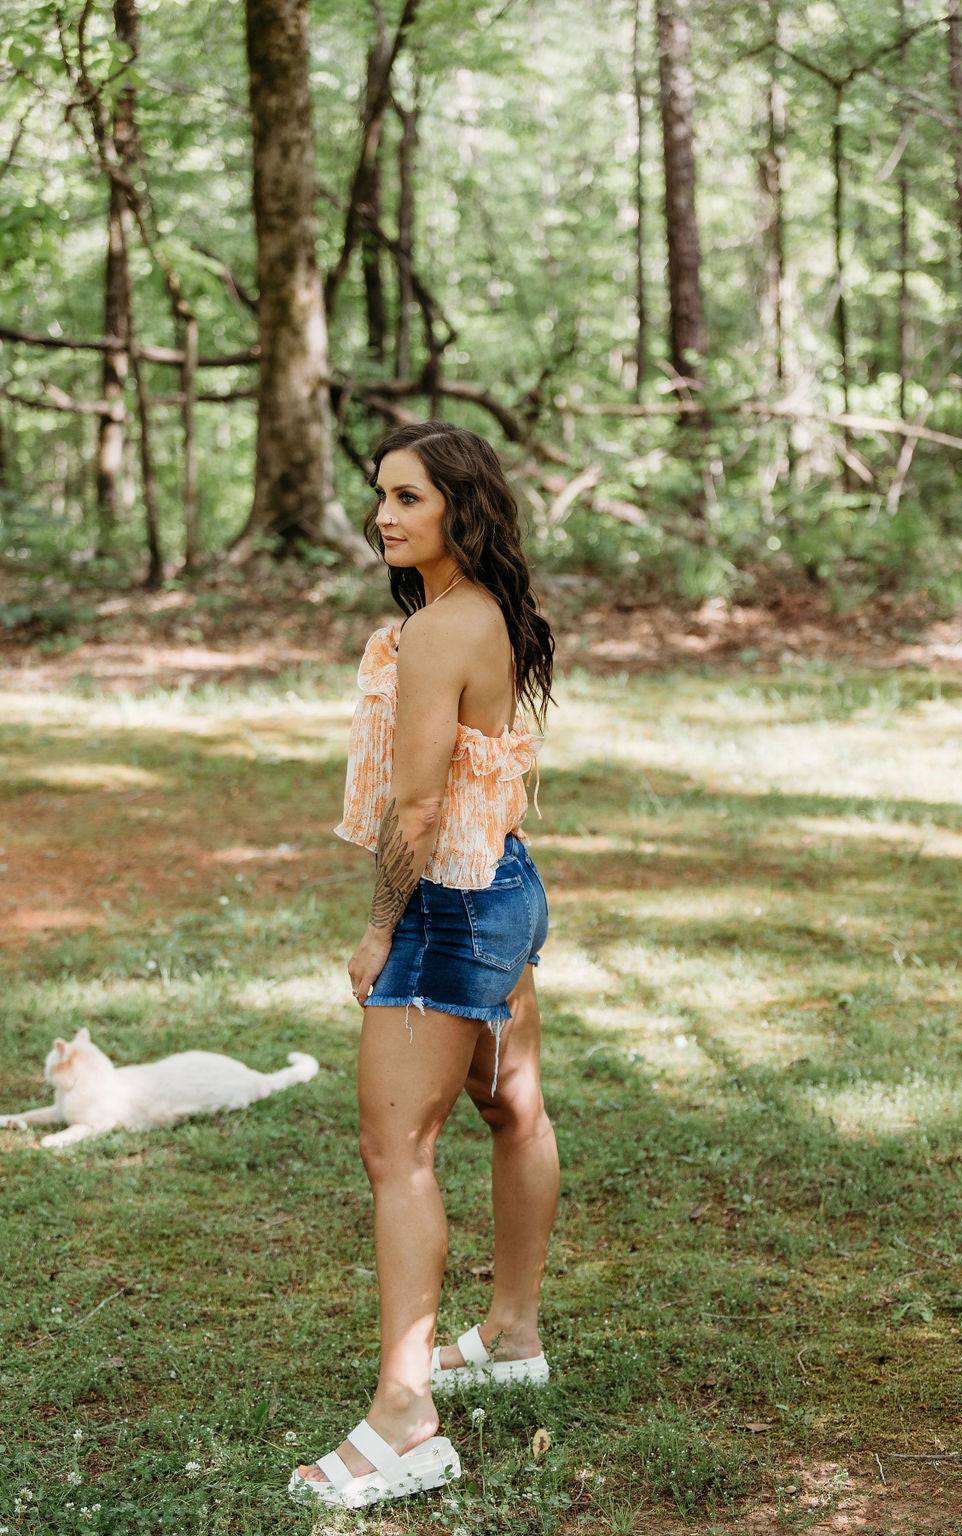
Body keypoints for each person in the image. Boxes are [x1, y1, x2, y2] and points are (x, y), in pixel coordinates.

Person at [289, 421, 560, 1511]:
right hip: (504, 886)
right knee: (513, 1111)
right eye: (380, 495)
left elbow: (416, 806)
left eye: (407, 497)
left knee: (394, 1151)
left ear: (462, 506)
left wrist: (376, 930)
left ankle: (405, 1421)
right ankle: (510, 1333)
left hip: (448, 909)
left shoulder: (441, 631)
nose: (384, 515)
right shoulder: (481, 615)